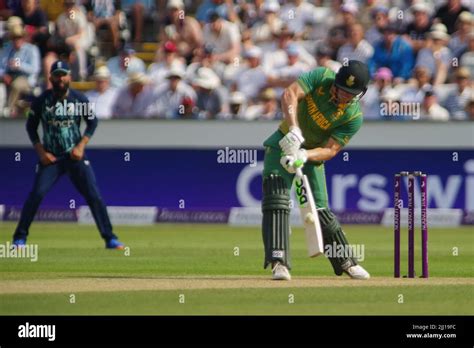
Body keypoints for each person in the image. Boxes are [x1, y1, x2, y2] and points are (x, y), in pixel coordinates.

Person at [261, 60, 370, 281]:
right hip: (282, 143)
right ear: (335, 83)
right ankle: (279, 262)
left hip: (311, 155)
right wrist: (293, 129)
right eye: (342, 90)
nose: (344, 96)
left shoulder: (353, 117)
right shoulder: (322, 77)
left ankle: (346, 261)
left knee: (319, 210)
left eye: (351, 93)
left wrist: (305, 155)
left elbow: (330, 150)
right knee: (276, 200)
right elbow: (290, 94)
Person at [12, 61, 124, 249]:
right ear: (51, 78)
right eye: (57, 75)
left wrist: (81, 146)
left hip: (74, 156)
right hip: (51, 158)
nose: (61, 78)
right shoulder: (42, 101)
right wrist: (41, 153)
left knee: (94, 196)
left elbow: (92, 123)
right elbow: (30, 127)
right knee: (37, 194)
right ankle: (19, 239)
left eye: (64, 74)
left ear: (70, 77)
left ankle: (110, 238)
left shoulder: (79, 99)